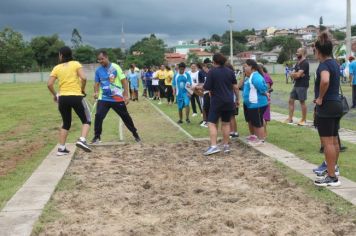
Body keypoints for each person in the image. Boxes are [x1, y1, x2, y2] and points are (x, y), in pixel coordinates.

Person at [47, 46, 92, 155]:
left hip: (62, 98)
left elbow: (49, 84)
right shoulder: (76, 64)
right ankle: (82, 140)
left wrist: (55, 95)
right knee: (87, 120)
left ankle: (61, 148)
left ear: (61, 55)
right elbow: (84, 78)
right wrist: (82, 89)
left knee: (66, 123)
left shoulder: (56, 68)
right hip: (76, 96)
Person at [313, 32, 343, 187]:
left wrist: (320, 98)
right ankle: (334, 169)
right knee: (334, 140)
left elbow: (325, 80)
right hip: (336, 104)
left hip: (327, 106)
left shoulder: (324, 65)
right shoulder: (335, 63)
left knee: (328, 143)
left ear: (319, 51)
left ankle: (331, 177)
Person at [91, 51, 141, 143]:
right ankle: (97, 137)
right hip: (104, 98)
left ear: (106, 57)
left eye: (102, 59)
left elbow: (124, 81)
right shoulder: (98, 70)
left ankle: (135, 134)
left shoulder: (115, 67)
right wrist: (96, 92)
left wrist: (126, 95)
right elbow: (96, 83)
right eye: (99, 60)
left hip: (117, 98)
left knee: (125, 117)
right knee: (98, 116)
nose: (100, 61)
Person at [203, 53, 239, 155]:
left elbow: (207, 87)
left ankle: (214, 146)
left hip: (217, 101)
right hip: (229, 100)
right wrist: (237, 99)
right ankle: (226, 145)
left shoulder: (212, 72)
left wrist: (197, 87)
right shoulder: (230, 72)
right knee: (226, 123)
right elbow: (235, 86)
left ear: (214, 62)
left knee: (211, 123)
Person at [243, 59, 269, 146]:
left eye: (246, 66)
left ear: (252, 67)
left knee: (258, 123)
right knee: (255, 121)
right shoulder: (251, 76)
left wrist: (265, 93)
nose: (244, 68)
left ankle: (261, 140)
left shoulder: (255, 76)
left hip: (257, 104)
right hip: (252, 104)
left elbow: (262, 88)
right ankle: (256, 137)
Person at [285, 48, 310, 126]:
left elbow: (297, 75)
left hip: (302, 85)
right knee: (291, 100)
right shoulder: (298, 63)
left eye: (298, 52)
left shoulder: (305, 63)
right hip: (296, 84)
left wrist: (295, 74)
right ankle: (290, 118)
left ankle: (303, 119)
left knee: (302, 101)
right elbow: (294, 75)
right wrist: (295, 74)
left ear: (302, 53)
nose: (296, 53)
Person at [198, 58, 212, 128]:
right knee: (204, 106)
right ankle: (205, 120)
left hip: (211, 91)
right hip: (204, 90)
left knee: (209, 106)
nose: (210, 64)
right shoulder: (201, 72)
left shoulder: (212, 70)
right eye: (208, 63)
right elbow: (200, 82)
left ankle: (208, 121)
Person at [262, 66, 273, 138]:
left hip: (265, 98)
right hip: (263, 97)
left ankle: (264, 133)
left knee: (263, 117)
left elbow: (268, 87)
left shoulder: (265, 76)